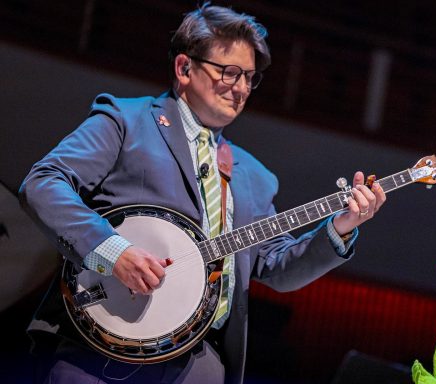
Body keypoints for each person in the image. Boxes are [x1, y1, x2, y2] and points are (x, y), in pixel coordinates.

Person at [19, 3, 386, 384]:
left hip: (201, 364)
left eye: (250, 77)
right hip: (99, 347)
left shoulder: (255, 178)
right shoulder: (125, 121)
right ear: (184, 68)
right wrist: (114, 252)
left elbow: (278, 268)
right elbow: (44, 183)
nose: (241, 87)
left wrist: (341, 227)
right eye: (229, 72)